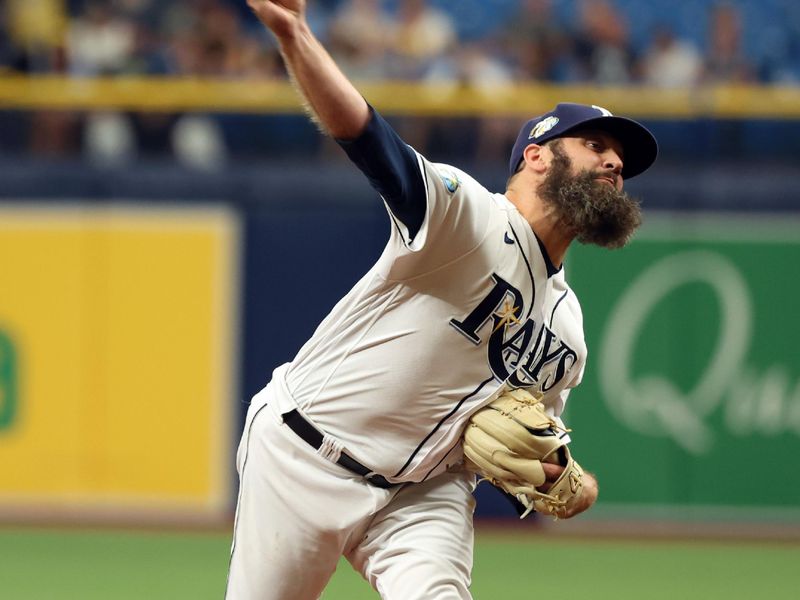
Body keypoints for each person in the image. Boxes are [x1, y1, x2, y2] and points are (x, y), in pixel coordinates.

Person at [227, 2, 658, 599]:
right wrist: (296, 36)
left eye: (622, 160)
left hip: (425, 493)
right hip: (304, 454)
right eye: (595, 145)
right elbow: (369, 139)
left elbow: (522, 448)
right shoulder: (471, 217)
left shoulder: (568, 331)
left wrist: (563, 476)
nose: (615, 162)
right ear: (537, 155)